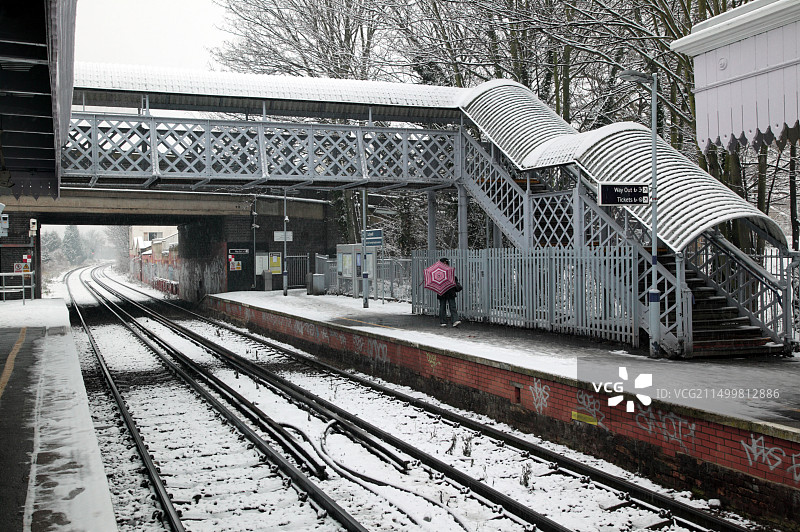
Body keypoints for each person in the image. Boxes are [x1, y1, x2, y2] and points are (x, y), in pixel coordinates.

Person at [437, 257, 462, 327]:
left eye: (446, 263)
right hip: (442, 292)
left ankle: (455, 320)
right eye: (444, 263)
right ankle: (443, 321)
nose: (445, 265)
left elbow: (454, 280)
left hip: (450, 291)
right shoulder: (439, 273)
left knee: (452, 306)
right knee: (442, 306)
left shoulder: (450, 272)